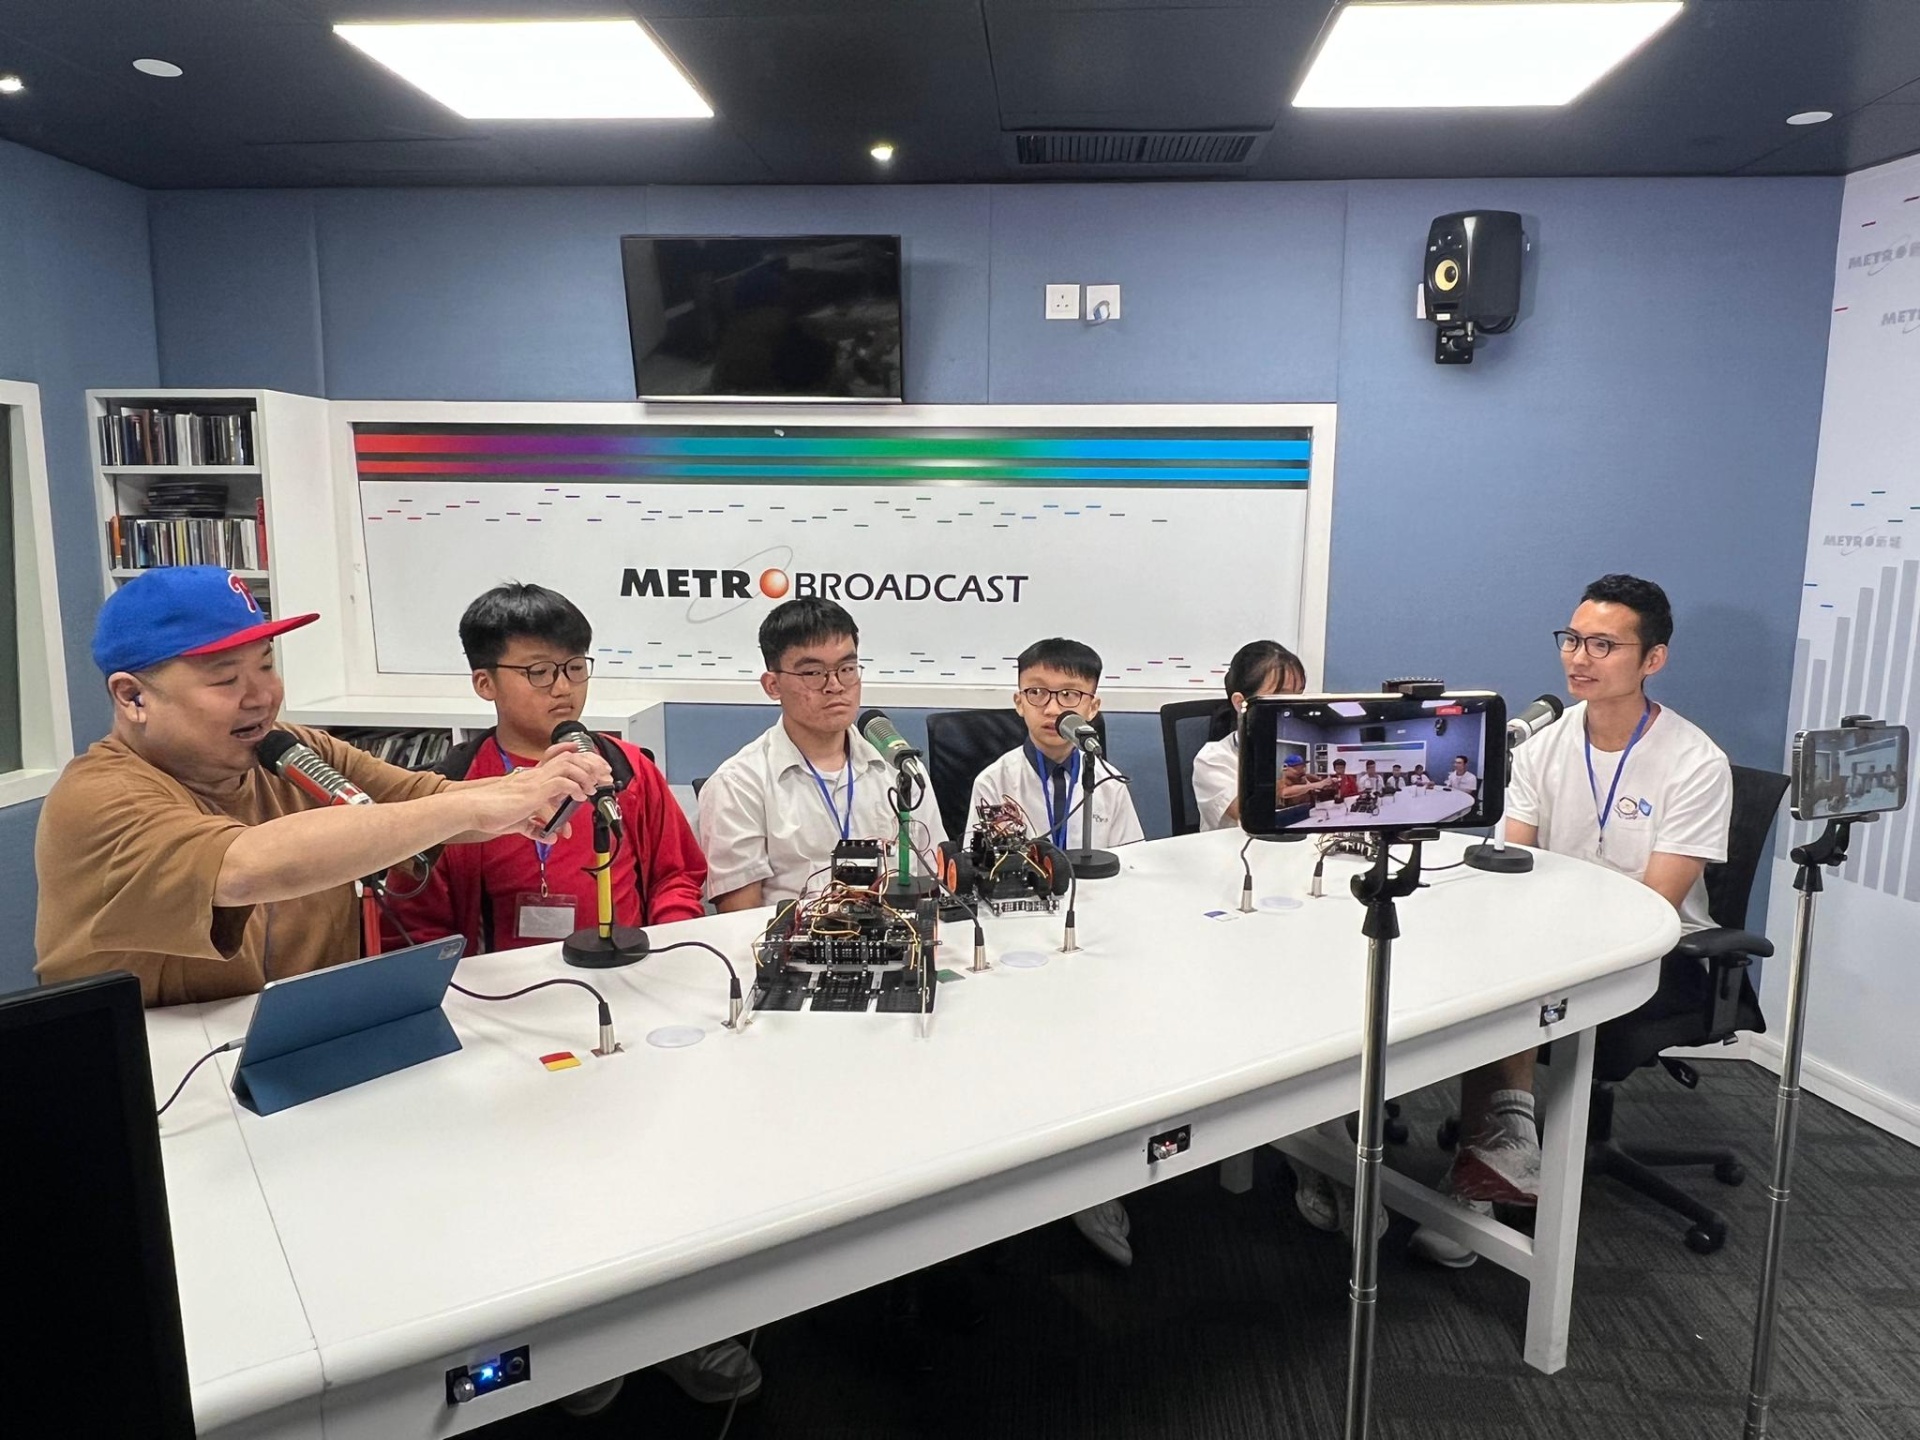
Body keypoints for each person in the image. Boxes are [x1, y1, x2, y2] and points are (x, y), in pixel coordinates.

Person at [34, 567, 607, 1007]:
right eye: (226, 679)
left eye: (265, 665)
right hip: (151, 1070)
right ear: (133, 697)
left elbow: (418, 798)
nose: (261, 696)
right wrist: (484, 802)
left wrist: (532, 792)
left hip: (297, 1039)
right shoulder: (100, 796)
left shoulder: (293, 748)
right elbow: (245, 866)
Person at [1409, 574, 1732, 1268]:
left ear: (1653, 659)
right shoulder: (1542, 745)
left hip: (1656, 954)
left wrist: (1545, 933)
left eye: (1604, 645)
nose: (1579, 658)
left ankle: (1485, 1168)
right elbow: (1511, 863)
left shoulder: (1695, 763)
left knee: (1512, 986)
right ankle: (1502, 1146)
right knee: (1480, 965)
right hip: (1548, 939)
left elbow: (1657, 904)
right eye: (1573, 640)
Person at [384, 584, 707, 953]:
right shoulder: (453, 786)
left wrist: (668, 950)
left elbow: (676, 878)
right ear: (485, 683)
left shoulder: (626, 769)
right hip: (499, 982)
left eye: (575, 667)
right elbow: (417, 926)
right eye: (539, 672)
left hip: (625, 970)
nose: (563, 687)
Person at [699, 597, 946, 914]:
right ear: (773, 685)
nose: (835, 686)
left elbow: (936, 883)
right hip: (796, 941)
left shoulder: (901, 769)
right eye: (814, 673)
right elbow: (740, 920)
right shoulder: (737, 785)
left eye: (847, 669)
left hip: (899, 937)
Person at [967, 637, 1144, 853]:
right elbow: (978, 865)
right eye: (1037, 692)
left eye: (1069, 695)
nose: (1052, 710)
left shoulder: (1110, 785)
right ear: (1019, 703)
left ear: (1092, 708)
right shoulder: (994, 783)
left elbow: (1131, 862)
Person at [1191, 640, 1309, 831]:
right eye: (1281, 696)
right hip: (1236, 849)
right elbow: (1256, 817)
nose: (1293, 707)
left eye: (1299, 695)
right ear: (1241, 703)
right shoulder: (1213, 760)